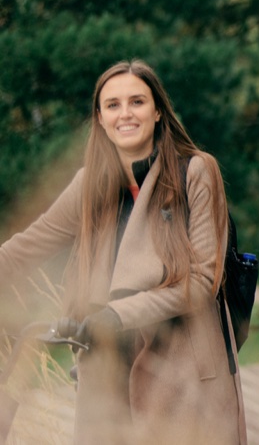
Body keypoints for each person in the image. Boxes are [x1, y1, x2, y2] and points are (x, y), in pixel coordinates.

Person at [0, 60, 245, 444]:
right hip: (107, 372)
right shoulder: (89, 185)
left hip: (182, 373)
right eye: (112, 105)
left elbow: (201, 281)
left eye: (137, 101)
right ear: (99, 117)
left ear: (158, 110)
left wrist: (116, 315)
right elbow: (27, 246)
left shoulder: (196, 172)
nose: (125, 114)